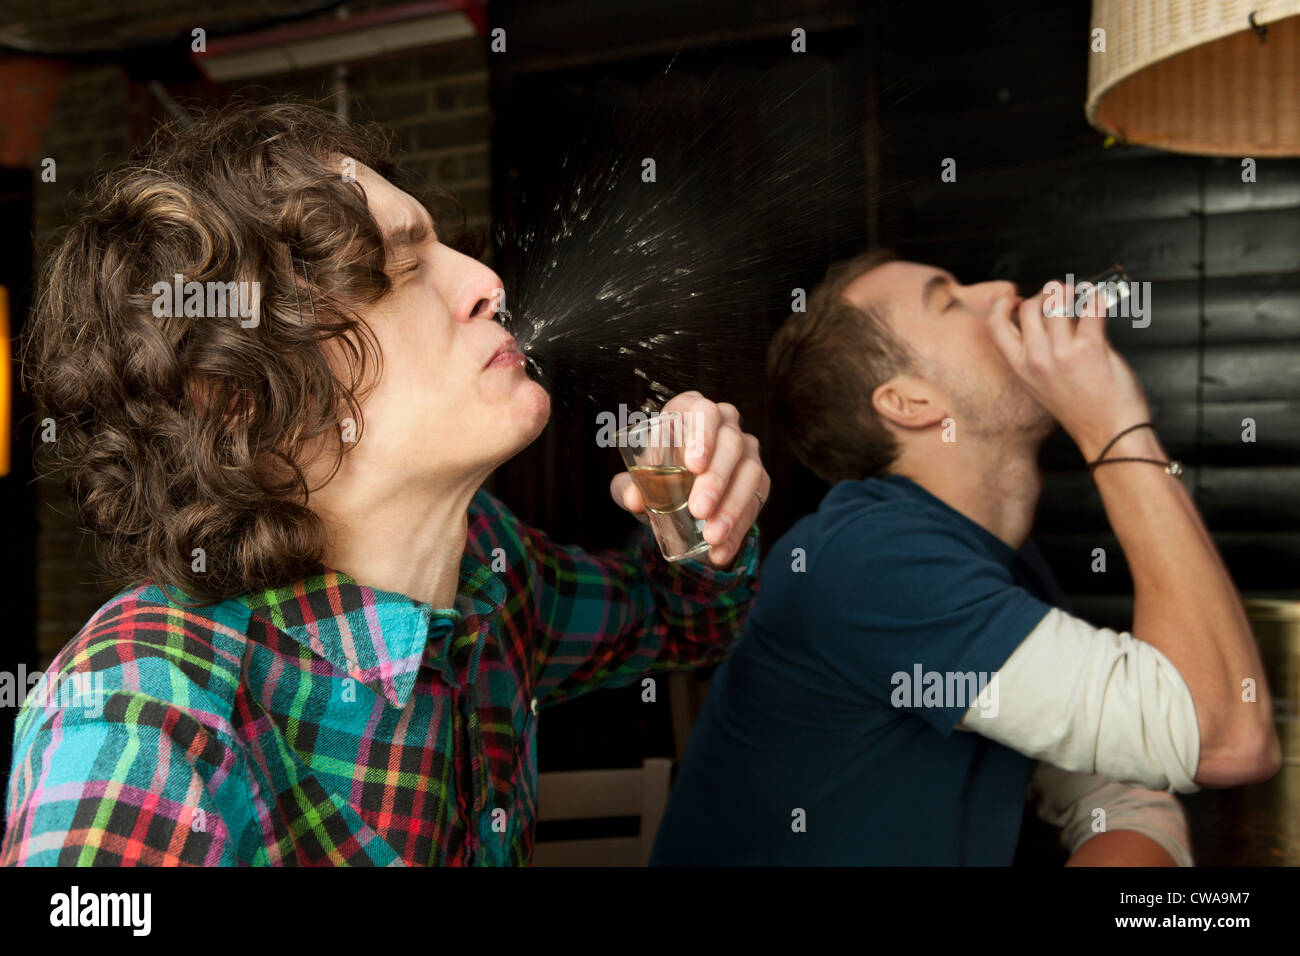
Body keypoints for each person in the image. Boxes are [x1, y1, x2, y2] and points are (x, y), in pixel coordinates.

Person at [2, 102, 769, 866]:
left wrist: (697, 502)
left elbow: (690, 620)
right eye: (398, 269)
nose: (488, 283)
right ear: (240, 399)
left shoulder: (492, 572)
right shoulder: (138, 715)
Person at [651, 249, 1280, 866]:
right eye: (950, 300)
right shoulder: (872, 561)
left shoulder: (995, 557)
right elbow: (1226, 737)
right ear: (909, 402)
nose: (1002, 289)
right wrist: (1113, 424)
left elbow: (1119, 788)